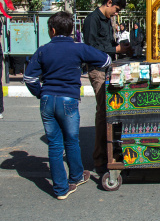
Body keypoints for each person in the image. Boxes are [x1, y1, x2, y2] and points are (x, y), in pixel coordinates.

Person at [23, 12, 111, 199]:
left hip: (47, 100)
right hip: (69, 101)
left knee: (55, 145)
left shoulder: (43, 50)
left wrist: (40, 92)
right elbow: (105, 60)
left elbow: (29, 77)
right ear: (72, 30)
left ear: (52, 31)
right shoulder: (78, 48)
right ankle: (76, 177)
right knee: (72, 141)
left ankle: (61, 189)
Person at [83, 0, 131, 175]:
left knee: (112, 111)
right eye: (117, 9)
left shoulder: (107, 20)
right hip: (98, 71)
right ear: (109, 3)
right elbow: (90, 48)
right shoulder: (91, 20)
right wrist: (115, 48)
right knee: (104, 113)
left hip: (109, 69)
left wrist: (120, 49)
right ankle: (100, 158)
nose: (117, 13)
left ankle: (111, 150)